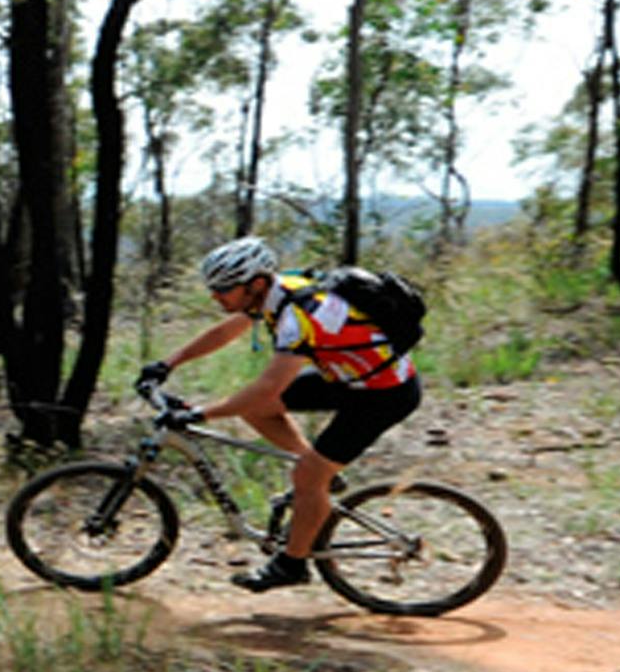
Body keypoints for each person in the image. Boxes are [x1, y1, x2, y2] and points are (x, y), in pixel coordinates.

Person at [144, 237, 420, 592]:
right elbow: (226, 332)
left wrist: (199, 414)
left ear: (255, 284)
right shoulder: (279, 289)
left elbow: (267, 388)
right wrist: (167, 364)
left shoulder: (300, 316)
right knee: (261, 416)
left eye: (224, 289)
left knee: (304, 473)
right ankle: (322, 482)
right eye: (214, 289)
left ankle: (291, 565)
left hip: (384, 394)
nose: (216, 297)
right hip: (348, 377)